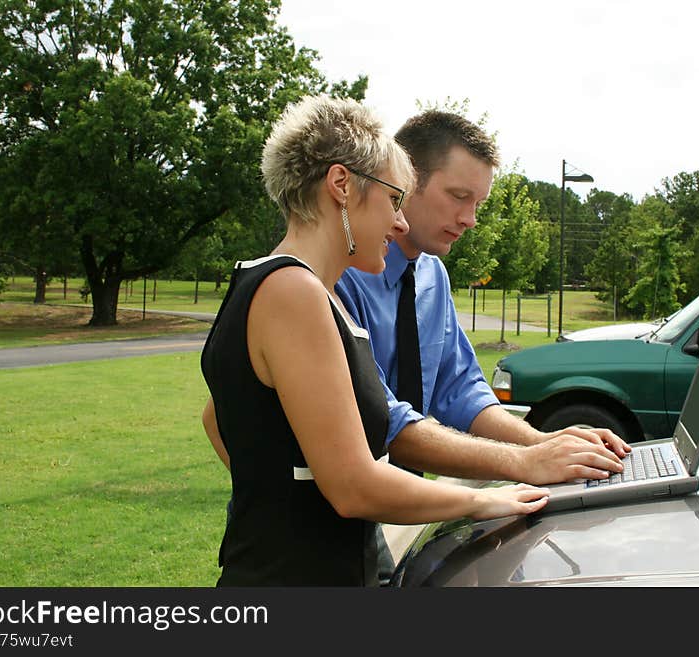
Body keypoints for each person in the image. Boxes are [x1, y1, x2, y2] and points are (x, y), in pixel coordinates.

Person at [200, 95, 549, 587]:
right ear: (341, 185)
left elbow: (222, 416)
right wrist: (485, 498)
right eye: (393, 199)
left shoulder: (292, 288)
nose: (400, 222)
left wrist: (281, 491)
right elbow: (353, 486)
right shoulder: (295, 292)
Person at [332, 111, 631, 581]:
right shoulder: (338, 275)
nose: (470, 219)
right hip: (330, 527)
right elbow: (384, 420)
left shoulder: (432, 274)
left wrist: (548, 443)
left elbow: (461, 391)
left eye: (479, 203)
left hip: (386, 513)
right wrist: (527, 461)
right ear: (405, 180)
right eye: (458, 197)